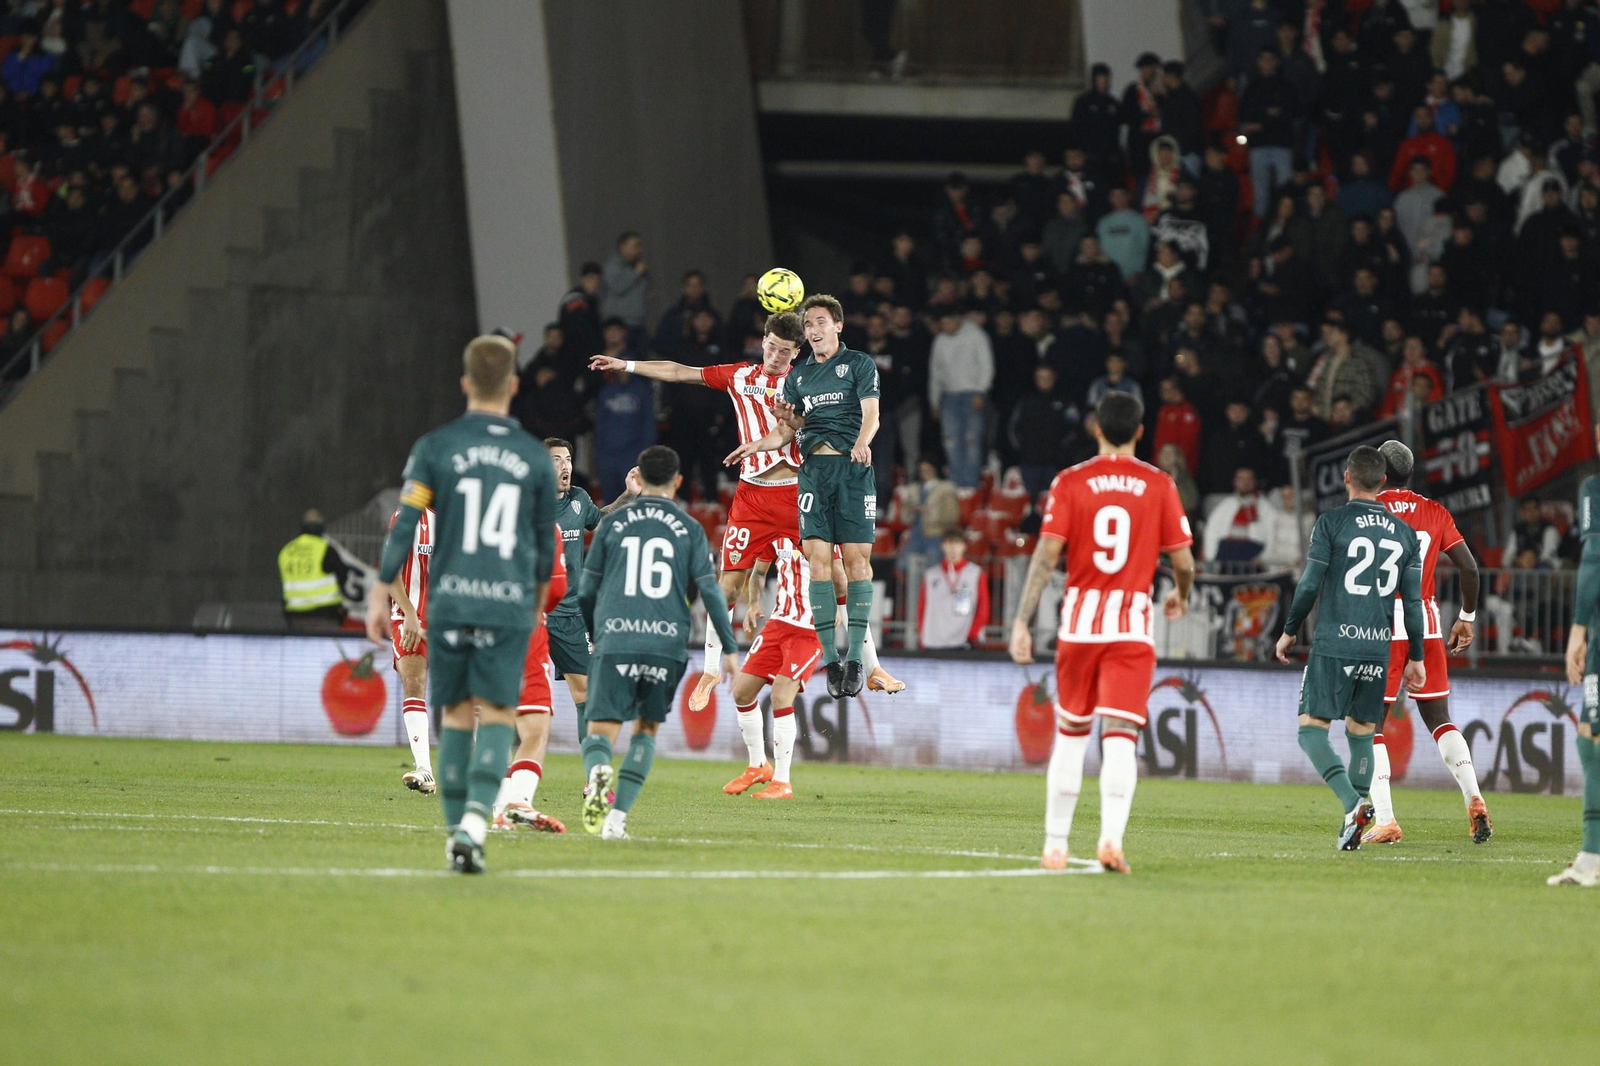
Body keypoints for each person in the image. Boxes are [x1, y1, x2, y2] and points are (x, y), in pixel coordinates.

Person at [364, 334, 557, 874]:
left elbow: (402, 531)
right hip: (506, 603)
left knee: (452, 715)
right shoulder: (532, 458)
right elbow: (545, 547)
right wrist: (533, 607)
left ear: (466, 384)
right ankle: (476, 824)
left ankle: (458, 835)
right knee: (498, 714)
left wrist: (381, 593)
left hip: (447, 602)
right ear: (515, 386)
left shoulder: (436, 447)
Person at [1009, 391, 1196, 874]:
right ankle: (1110, 841)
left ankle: (1055, 846)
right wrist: (1182, 594)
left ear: (1095, 428)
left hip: (1079, 625)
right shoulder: (1159, 484)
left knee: (1071, 737)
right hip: (1131, 627)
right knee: (1119, 739)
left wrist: (1022, 621)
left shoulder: (1072, 481)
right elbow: (1184, 561)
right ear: (1139, 431)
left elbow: (1047, 555)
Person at [577, 445, 739, 839]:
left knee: (600, 731)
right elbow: (712, 593)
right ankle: (616, 822)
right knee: (646, 730)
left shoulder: (613, 525)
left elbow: (584, 590)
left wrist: (594, 633)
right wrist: (730, 650)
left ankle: (599, 772)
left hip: (615, 637)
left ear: (640, 478)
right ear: (678, 481)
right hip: (665, 643)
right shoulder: (690, 528)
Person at [726, 294, 882, 700]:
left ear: (838, 326)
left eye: (820, 322)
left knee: (856, 563)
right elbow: (787, 432)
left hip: (852, 468)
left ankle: (858, 660)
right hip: (813, 472)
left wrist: (863, 442)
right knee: (818, 564)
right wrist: (758, 444)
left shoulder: (859, 364)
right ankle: (831, 661)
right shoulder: (799, 377)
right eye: (808, 324)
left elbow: (872, 413)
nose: (813, 329)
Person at [1275, 445, 1426, 852]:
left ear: (1346, 478)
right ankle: (1354, 819)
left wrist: (1290, 630)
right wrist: (1416, 656)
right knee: (1363, 733)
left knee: (1311, 731)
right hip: (1379, 649)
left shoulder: (1331, 523)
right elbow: (1412, 603)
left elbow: (1309, 585)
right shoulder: (1405, 533)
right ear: (1383, 482)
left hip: (1335, 644)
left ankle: (1352, 803)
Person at [1363, 441, 1491, 845]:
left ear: (1379, 471)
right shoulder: (1434, 511)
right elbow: (1469, 568)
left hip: (1379, 626)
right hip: (1427, 624)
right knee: (1440, 718)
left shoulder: (1366, 511)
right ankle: (1475, 799)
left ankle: (1385, 820)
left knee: (1369, 726)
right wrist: (1467, 617)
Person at [541, 439, 635, 747]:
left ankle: (592, 776)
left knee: (586, 694)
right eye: (556, 460)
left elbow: (599, 518)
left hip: (570, 615)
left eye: (568, 459)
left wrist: (629, 495)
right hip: (534, 615)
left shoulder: (579, 499)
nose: (565, 466)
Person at [724, 537, 825, 800]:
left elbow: (842, 573)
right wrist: (754, 603)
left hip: (809, 629)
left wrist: (838, 605)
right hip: (778, 623)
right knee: (742, 693)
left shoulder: (823, 531)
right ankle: (758, 765)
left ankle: (782, 782)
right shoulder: (777, 531)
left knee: (781, 695)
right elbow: (758, 571)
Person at [489, 515, 571, 834]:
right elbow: (557, 586)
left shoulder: (476, 513)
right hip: (525, 630)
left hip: (481, 628)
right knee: (534, 728)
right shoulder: (544, 523)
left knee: (490, 727)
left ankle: (498, 811)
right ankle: (519, 801)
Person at [1554, 422, 1600, 886]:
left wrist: (1579, 630)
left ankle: (1592, 858)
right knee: (1589, 732)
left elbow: (1594, 558)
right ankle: (1590, 857)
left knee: (1593, 738)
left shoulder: (1594, 489)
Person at [384, 503, 436, 795]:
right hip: (410, 616)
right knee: (413, 682)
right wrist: (411, 614)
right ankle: (424, 770)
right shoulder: (408, 517)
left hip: (452, 618)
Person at [927, 305, 993, 489]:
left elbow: (986, 365)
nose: (945, 327)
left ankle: (970, 485)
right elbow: (935, 372)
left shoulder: (976, 336)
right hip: (949, 396)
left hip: (972, 393)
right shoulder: (940, 340)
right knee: (951, 441)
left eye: (947, 322)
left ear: (957, 319)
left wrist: (981, 391)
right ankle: (956, 484)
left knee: (972, 441)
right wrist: (934, 400)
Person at [918, 530, 990, 650]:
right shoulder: (931, 575)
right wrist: (922, 633)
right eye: (949, 543)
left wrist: (972, 634)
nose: (953, 548)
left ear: (964, 546)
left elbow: (983, 607)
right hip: (934, 641)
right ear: (943, 546)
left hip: (964, 641)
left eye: (957, 543)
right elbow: (922, 607)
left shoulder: (975, 573)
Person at [277, 509, 349, 628]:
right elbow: (343, 575)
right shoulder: (325, 548)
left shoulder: (286, 550)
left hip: (294, 616)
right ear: (321, 526)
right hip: (324, 615)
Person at [602, 231, 650, 347]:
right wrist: (635, 273)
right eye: (635, 245)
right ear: (622, 246)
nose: (639, 250)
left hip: (639, 322)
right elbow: (618, 287)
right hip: (621, 325)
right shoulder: (612, 266)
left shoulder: (637, 265)